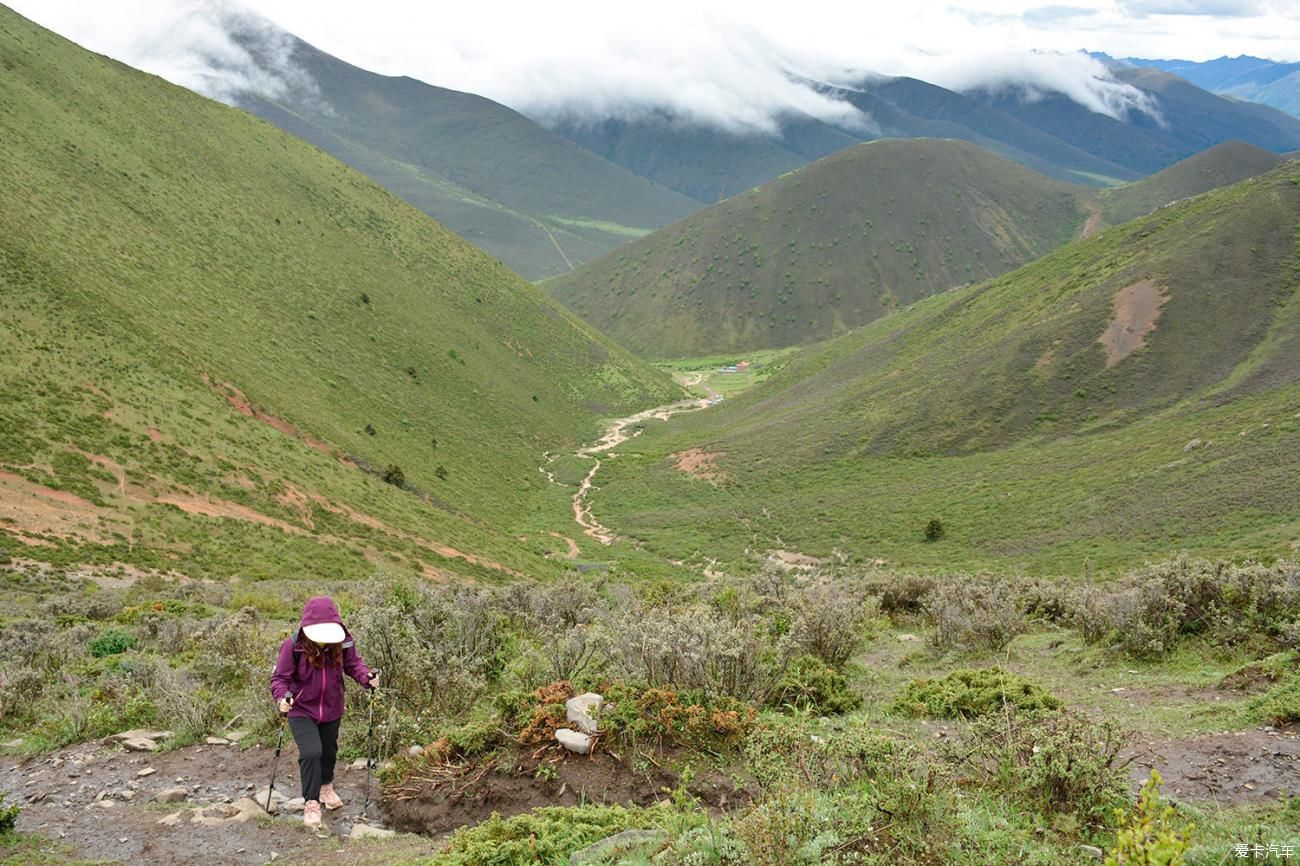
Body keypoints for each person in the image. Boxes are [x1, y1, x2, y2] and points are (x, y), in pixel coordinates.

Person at [270, 596, 377, 830]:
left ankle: (326, 787)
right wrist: (282, 698)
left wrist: (366, 678)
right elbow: (280, 678)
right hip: (300, 709)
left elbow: (354, 665)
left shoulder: (343, 642)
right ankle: (311, 802)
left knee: (329, 751)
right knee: (311, 752)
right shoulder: (293, 645)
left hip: (332, 706)